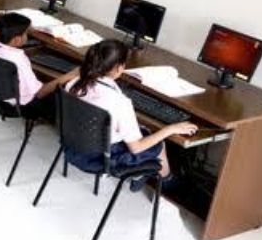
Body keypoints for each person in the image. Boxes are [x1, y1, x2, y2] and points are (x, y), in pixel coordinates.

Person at [66, 39, 197, 191]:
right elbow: (136, 148)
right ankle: (166, 182)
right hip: (100, 159)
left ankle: (143, 175)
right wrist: (170, 129)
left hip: (74, 149)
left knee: (143, 130)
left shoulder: (74, 83)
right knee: (159, 145)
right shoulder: (120, 102)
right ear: (119, 68)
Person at [0, 13, 78, 121]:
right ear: (17, 40)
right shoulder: (19, 59)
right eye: (26, 33)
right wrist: (69, 75)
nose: (28, 36)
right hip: (20, 106)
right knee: (64, 94)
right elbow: (40, 92)